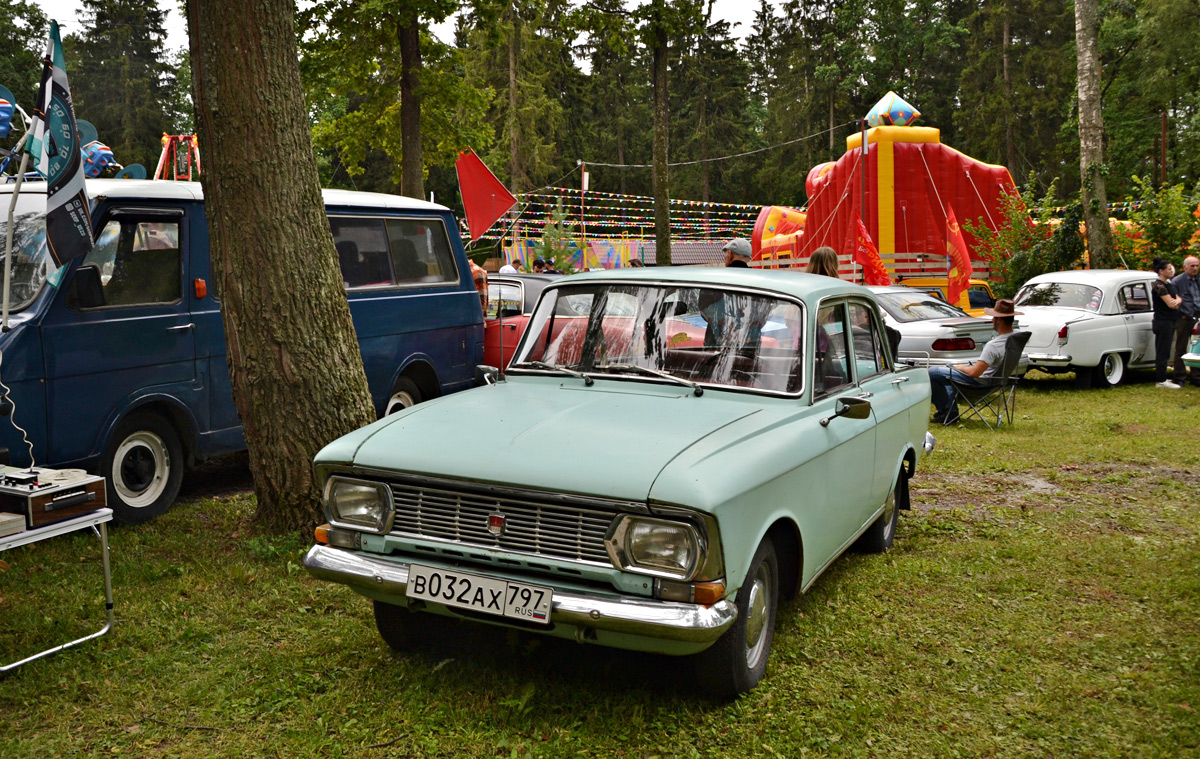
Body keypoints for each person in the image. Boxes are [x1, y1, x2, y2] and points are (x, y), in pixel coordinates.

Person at [927, 298, 1022, 423]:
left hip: (981, 383)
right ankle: (950, 411)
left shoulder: (994, 345)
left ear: (998, 320)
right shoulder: (1016, 337)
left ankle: (948, 412)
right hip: (998, 381)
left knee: (933, 372)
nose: (992, 320)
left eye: (993, 317)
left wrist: (961, 368)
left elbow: (974, 373)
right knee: (946, 373)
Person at [1150, 257, 1182, 389]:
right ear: (1161, 271)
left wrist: (1178, 301)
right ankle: (1161, 380)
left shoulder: (1169, 285)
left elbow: (1178, 298)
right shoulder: (1159, 286)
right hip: (1163, 321)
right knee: (1162, 350)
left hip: (1170, 320)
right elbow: (1171, 304)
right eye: (1169, 269)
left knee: (1167, 349)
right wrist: (1176, 302)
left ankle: (1163, 377)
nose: (1171, 271)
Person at [1170, 254, 1200, 387]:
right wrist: (1184, 313)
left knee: (1197, 349)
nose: (1195, 268)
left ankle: (1196, 376)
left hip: (1198, 317)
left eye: (1197, 266)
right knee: (1181, 347)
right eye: (1192, 266)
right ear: (1185, 267)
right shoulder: (1177, 281)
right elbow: (1173, 301)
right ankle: (1180, 376)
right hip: (1184, 318)